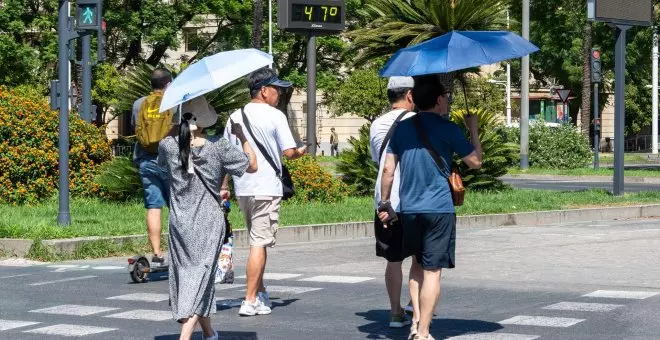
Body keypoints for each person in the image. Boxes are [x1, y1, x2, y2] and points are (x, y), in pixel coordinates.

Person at [378, 74, 482, 340]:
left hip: (409, 209)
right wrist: (473, 129)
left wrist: (385, 202)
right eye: (446, 97)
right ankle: (423, 331)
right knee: (432, 271)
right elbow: (475, 162)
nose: (447, 101)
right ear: (438, 100)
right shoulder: (448, 128)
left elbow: (388, 170)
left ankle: (415, 322)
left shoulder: (401, 129)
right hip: (439, 209)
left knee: (415, 264)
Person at [157, 95, 258, 340]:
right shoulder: (218, 146)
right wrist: (242, 136)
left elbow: (162, 168)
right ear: (203, 121)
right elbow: (252, 165)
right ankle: (185, 336)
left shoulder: (167, 145)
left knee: (190, 273)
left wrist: (178, 129)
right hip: (208, 219)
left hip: (179, 220)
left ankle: (209, 333)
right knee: (201, 275)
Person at [222, 67, 307, 316]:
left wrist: (224, 186)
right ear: (263, 91)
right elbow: (288, 152)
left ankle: (260, 292)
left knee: (257, 241)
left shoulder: (233, 117)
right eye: (276, 89)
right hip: (266, 188)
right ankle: (249, 300)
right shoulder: (275, 116)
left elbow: (226, 157)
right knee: (259, 243)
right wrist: (300, 151)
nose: (279, 93)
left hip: (244, 188)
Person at [369, 76, 423, 329]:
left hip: (385, 201)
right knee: (420, 258)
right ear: (410, 95)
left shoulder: (377, 124)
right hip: (415, 197)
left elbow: (377, 160)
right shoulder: (419, 122)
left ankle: (394, 312)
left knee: (393, 259)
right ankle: (417, 313)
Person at [132, 68, 174, 264]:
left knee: (154, 207)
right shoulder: (174, 103)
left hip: (146, 160)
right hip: (169, 161)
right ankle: (178, 251)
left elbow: (137, 130)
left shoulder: (139, 104)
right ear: (168, 83)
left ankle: (157, 254)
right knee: (177, 206)